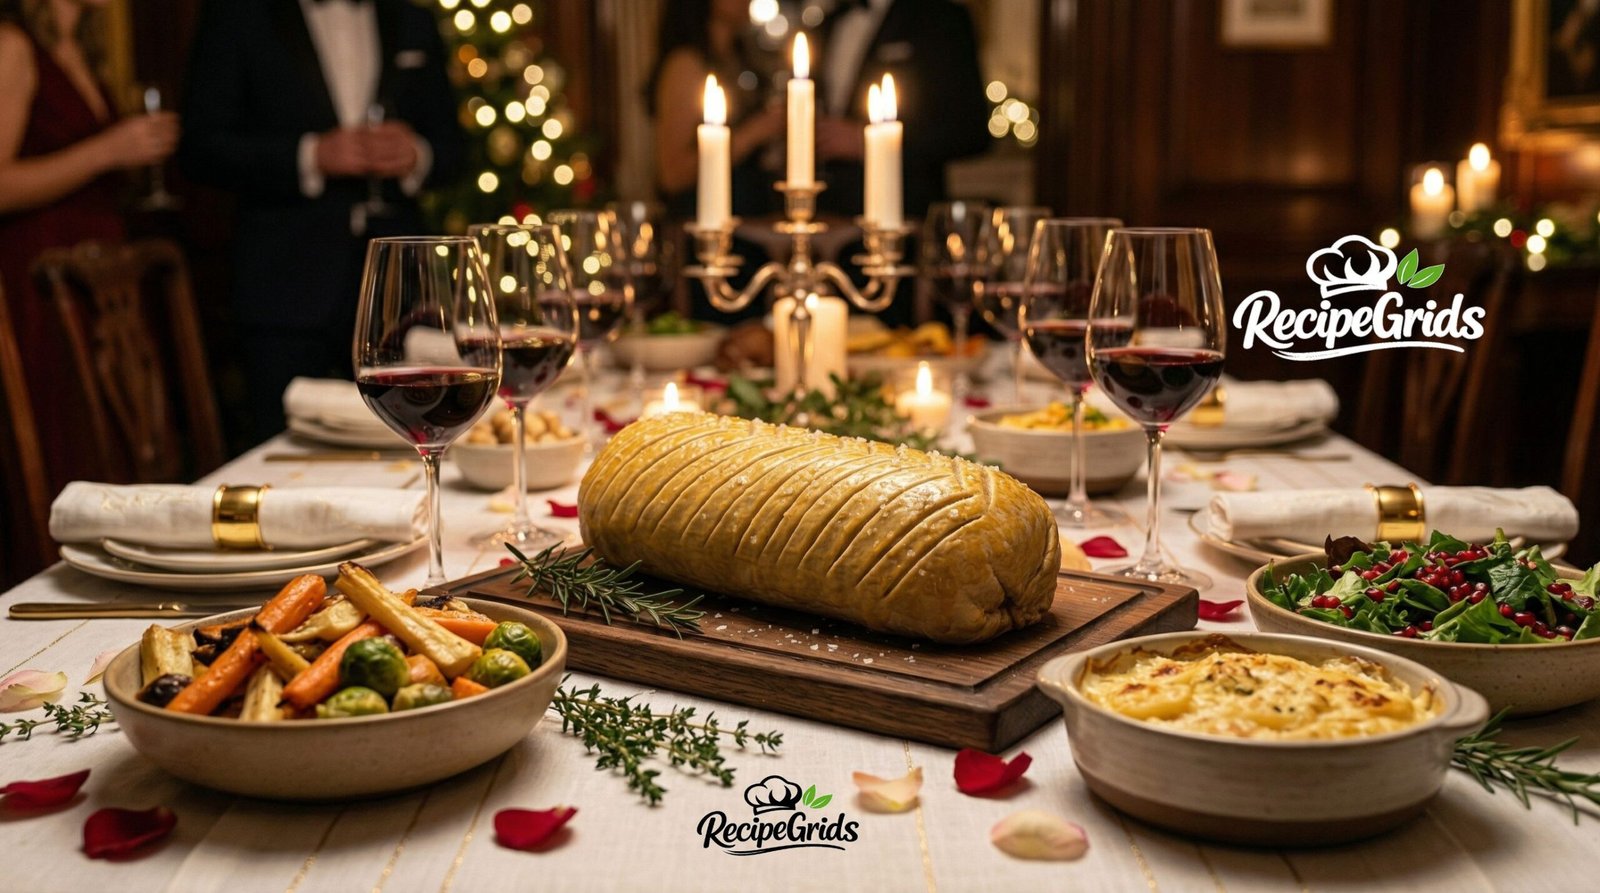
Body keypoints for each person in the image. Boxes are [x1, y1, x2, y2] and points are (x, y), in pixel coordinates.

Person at [180, 0, 464, 443]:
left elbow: (455, 148)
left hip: (397, 293)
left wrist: (417, 155)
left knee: (413, 442)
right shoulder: (240, 16)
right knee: (279, 449)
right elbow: (200, 149)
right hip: (283, 284)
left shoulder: (413, 20)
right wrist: (310, 155)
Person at [0, 0, 179, 493]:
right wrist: (108, 150)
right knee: (66, 433)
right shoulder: (14, 45)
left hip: (101, 273)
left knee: (113, 437)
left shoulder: (79, 47)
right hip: (43, 275)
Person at [647, 0, 784, 322]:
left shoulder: (741, 59)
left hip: (748, 234)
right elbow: (672, 173)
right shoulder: (685, 64)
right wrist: (755, 132)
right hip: (708, 241)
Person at [813, 0, 989, 221]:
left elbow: (969, 129)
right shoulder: (830, 22)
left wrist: (868, 141)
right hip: (827, 211)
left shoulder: (940, 18)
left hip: (906, 211)